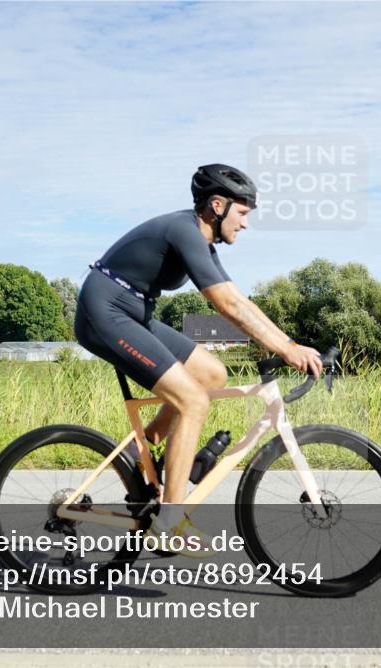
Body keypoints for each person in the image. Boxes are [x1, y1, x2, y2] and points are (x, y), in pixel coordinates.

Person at [74, 164, 323, 556]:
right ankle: (169, 524)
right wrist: (286, 350)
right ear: (217, 205)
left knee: (211, 372)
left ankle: (143, 455)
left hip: (133, 311)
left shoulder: (201, 241)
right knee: (192, 400)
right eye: (242, 214)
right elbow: (224, 305)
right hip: (104, 311)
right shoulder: (183, 231)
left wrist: (288, 343)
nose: (245, 224)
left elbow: (239, 299)